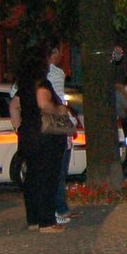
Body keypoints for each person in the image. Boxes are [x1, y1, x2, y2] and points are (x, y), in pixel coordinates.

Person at [10, 50, 72, 234]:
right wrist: (59, 110)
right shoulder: (42, 84)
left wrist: (19, 128)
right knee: (49, 177)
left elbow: (14, 106)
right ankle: (47, 222)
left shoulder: (24, 85)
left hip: (29, 135)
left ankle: (34, 220)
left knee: (32, 178)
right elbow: (43, 103)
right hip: (46, 136)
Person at [46, 43, 74, 224]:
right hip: (56, 124)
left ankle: (56, 207)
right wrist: (64, 113)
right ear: (53, 51)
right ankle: (59, 208)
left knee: (49, 170)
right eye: (60, 51)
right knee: (59, 169)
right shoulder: (56, 74)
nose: (62, 54)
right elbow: (59, 100)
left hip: (40, 127)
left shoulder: (29, 76)